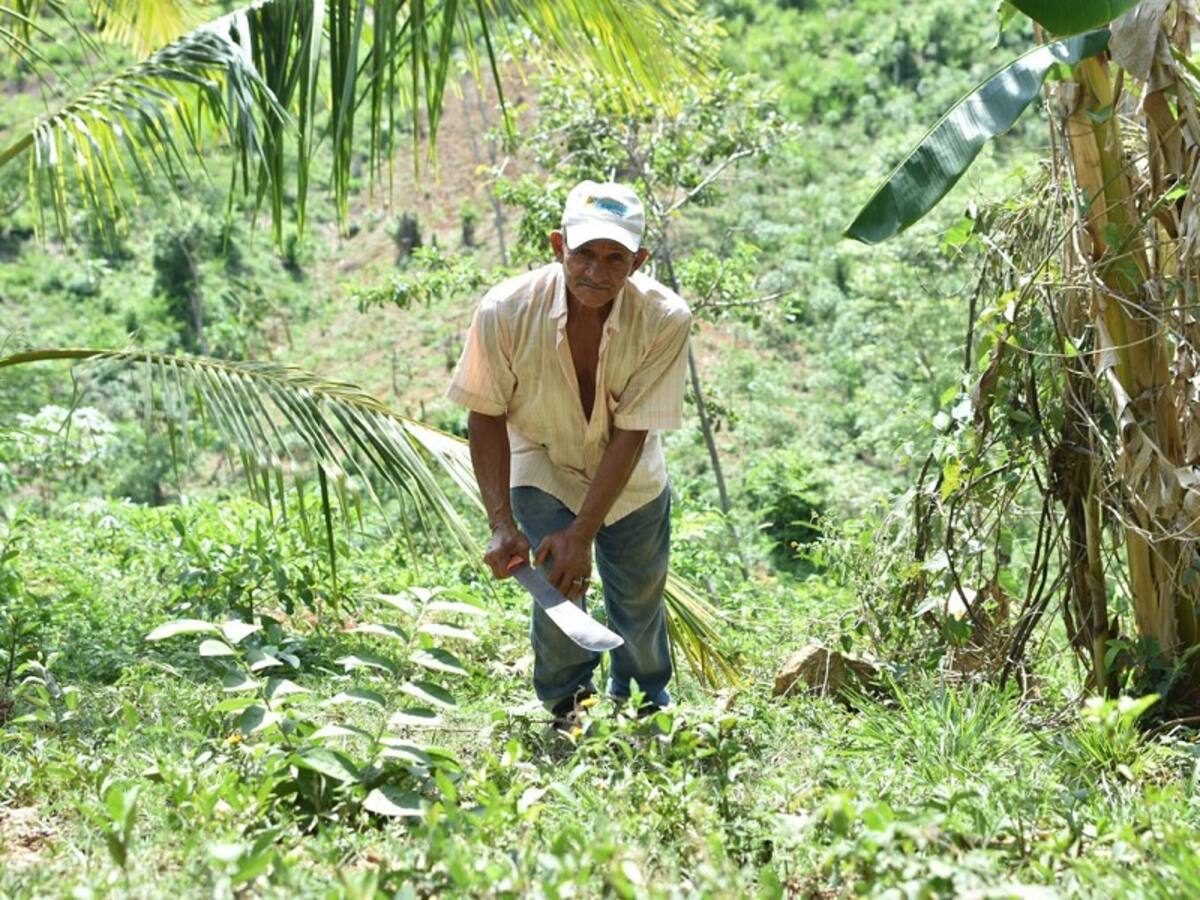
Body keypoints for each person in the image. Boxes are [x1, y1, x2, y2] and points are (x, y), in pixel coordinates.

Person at [446, 180, 692, 725]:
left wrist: (583, 532)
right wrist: (501, 522)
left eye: (614, 258)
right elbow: (485, 413)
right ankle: (566, 705)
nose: (596, 273)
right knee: (560, 589)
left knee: (640, 595)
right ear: (559, 247)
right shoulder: (505, 309)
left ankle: (645, 702)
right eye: (584, 254)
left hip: (630, 476)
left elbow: (632, 432)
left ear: (638, 260)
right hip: (542, 459)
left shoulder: (665, 317)